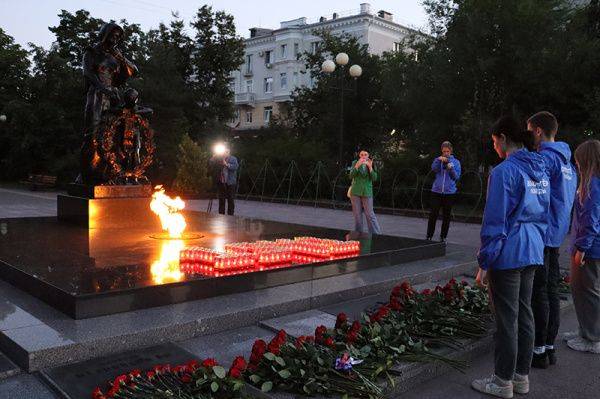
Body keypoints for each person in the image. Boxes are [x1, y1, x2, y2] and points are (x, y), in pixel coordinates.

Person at [472, 116, 550, 398]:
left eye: (494, 142)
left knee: (507, 320)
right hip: (532, 249)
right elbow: (545, 213)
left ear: (503, 139)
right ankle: (521, 377)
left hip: (508, 252)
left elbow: (496, 222)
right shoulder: (540, 168)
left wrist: (485, 261)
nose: (494, 147)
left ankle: (502, 381)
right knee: (524, 314)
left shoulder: (505, 171)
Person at [527, 111, 578, 368]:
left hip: (542, 233)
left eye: (529, 131)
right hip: (556, 233)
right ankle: (548, 348)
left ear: (538, 130)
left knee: (540, 293)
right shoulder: (567, 162)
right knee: (551, 291)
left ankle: (538, 351)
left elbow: (535, 191)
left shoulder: (546, 158)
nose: (528, 137)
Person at [565, 139, 600, 354]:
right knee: (581, 290)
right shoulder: (592, 183)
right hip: (588, 246)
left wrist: (582, 247)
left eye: (578, 161)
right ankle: (585, 330)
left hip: (590, 248)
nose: (576, 165)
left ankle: (592, 337)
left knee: (587, 291)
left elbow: (591, 219)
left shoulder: (592, 185)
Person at [426, 141, 461, 242]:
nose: (446, 153)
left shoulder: (456, 162)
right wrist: (438, 161)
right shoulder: (438, 159)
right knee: (433, 214)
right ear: (441, 151)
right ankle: (429, 236)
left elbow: (456, 177)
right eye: (444, 151)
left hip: (449, 193)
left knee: (446, 216)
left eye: (448, 151)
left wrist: (451, 168)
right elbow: (434, 169)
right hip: (436, 191)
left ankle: (443, 237)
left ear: (451, 151)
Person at [349, 150, 381, 234]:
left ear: (368, 156)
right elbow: (351, 175)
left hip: (367, 191)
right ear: (359, 155)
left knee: (370, 214)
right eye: (362, 154)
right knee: (357, 215)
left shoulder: (371, 163)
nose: (363, 156)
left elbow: (374, 178)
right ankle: (358, 233)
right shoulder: (355, 162)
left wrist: (370, 167)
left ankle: (376, 234)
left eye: (365, 154)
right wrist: (356, 166)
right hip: (356, 191)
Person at [210, 147, 239, 216]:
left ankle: (230, 215)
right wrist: (213, 158)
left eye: (226, 152)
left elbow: (235, 167)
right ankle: (221, 214)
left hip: (230, 182)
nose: (224, 153)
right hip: (221, 182)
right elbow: (210, 163)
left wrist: (226, 164)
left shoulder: (233, 158)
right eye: (223, 152)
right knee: (221, 199)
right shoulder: (218, 158)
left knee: (230, 199)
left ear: (229, 152)